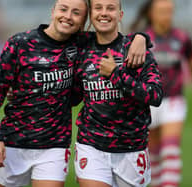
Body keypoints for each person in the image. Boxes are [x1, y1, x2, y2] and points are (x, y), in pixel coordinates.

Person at [0, 0, 151, 186]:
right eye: (63, 9)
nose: (68, 16)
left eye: (76, 13)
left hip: (54, 146)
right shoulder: (20, 43)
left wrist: (141, 38)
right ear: (53, 11)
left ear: (84, 21)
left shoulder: (82, 44)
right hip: (12, 141)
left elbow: (115, 37)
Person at [73, 0, 163, 187]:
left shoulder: (135, 49)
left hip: (132, 149)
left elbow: (155, 95)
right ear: (91, 15)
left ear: (120, 15)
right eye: (98, 8)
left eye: (110, 8)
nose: (104, 13)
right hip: (91, 145)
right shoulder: (81, 48)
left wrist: (116, 74)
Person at [129, 0, 192, 187]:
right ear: (152, 14)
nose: (167, 15)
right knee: (154, 153)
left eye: (169, 11)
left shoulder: (182, 38)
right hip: (148, 101)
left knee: (171, 149)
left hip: (174, 99)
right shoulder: (141, 39)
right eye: (162, 11)